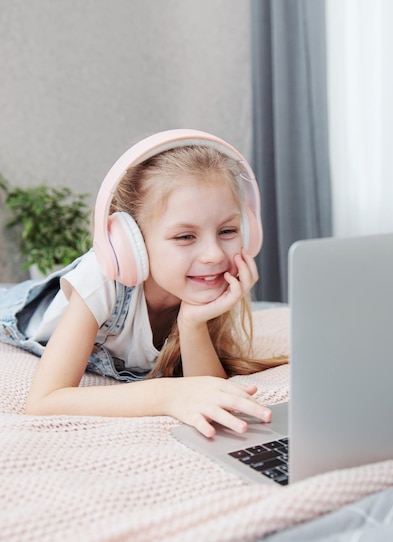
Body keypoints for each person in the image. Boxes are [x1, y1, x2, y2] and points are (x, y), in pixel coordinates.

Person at [0, 129, 287, 437]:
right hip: (15, 309)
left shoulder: (200, 287)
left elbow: (205, 385)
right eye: (185, 236)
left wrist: (192, 323)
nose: (214, 254)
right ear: (130, 244)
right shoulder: (101, 280)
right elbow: (44, 401)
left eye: (228, 231)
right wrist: (167, 395)